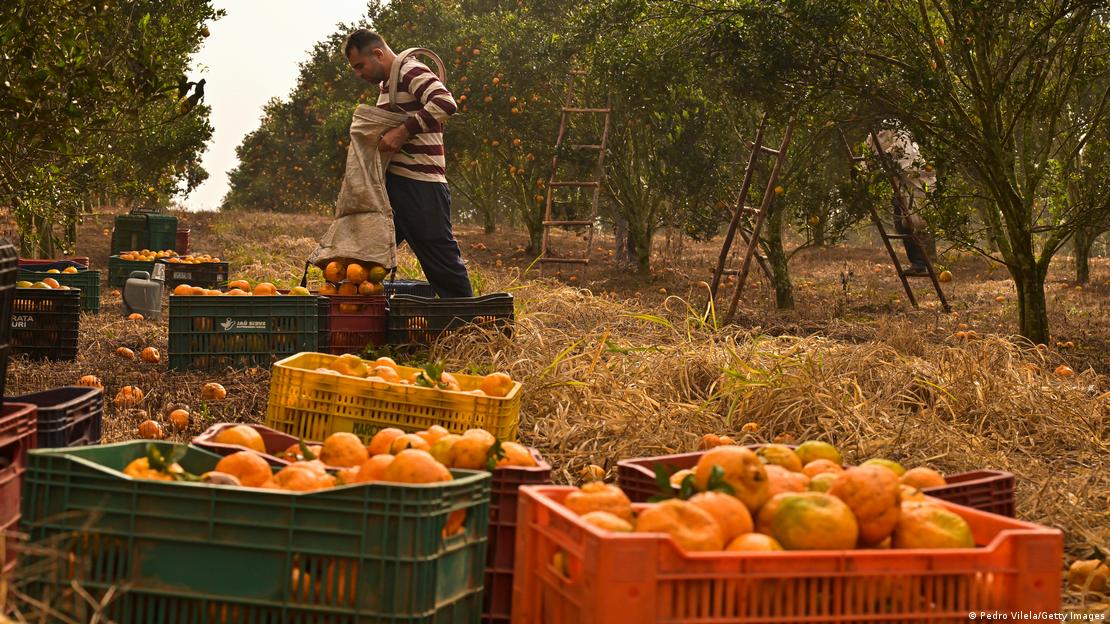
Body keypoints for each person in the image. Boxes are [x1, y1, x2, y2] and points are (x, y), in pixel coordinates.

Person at [344, 29, 473, 298]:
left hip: (421, 187)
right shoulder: (387, 85)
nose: (358, 73)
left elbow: (445, 102)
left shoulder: (409, 69)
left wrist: (402, 132)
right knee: (367, 258)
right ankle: (359, 317)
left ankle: (471, 328)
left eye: (359, 66)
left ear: (377, 54)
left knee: (441, 261)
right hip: (397, 187)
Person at [866, 127, 937, 276]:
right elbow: (872, 155)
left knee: (912, 225)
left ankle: (920, 263)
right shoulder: (882, 138)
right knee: (902, 225)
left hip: (913, 187)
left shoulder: (902, 140)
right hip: (902, 189)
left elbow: (905, 163)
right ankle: (918, 263)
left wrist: (884, 158)